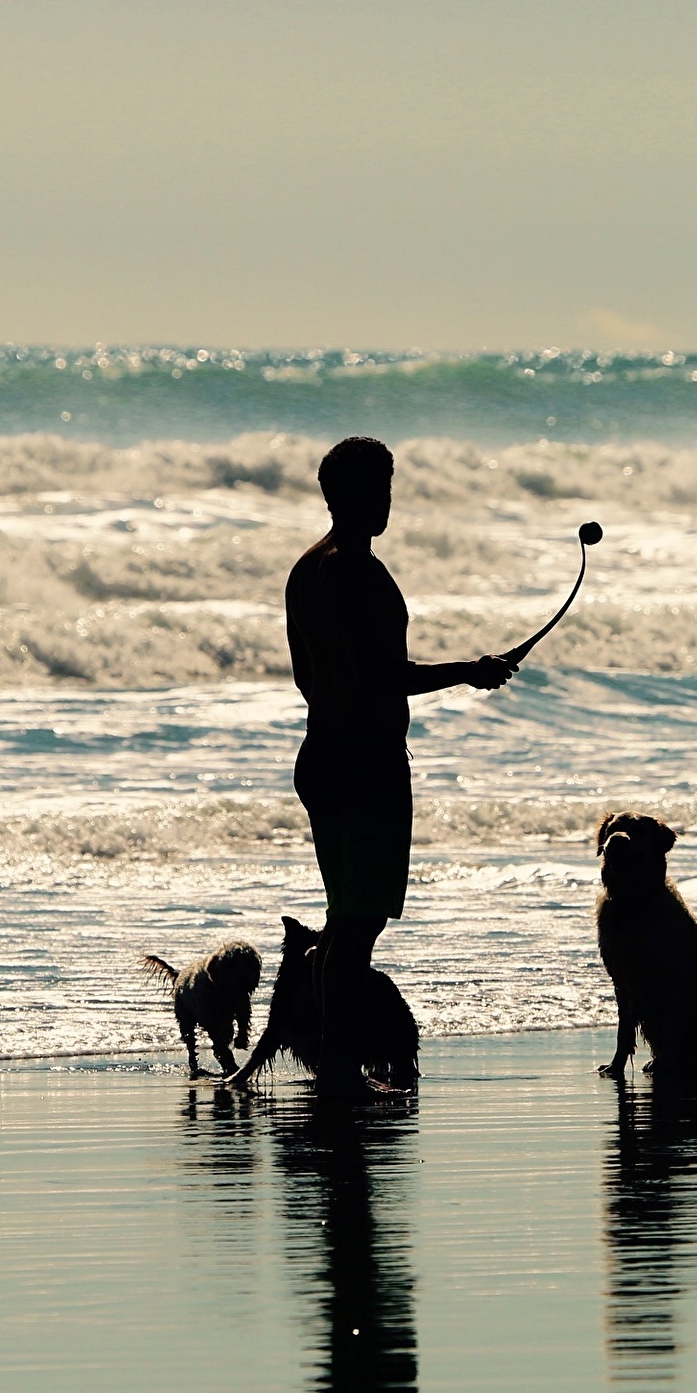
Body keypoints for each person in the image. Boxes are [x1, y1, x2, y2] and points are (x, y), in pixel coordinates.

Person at [286, 435, 514, 1096]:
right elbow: (382, 676)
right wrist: (468, 672)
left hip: (323, 751)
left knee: (347, 917)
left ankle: (335, 1064)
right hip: (363, 760)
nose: (386, 500)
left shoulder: (306, 567)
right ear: (343, 495)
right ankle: (336, 1071)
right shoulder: (355, 569)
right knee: (357, 923)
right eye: (376, 488)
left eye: (388, 486)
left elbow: (318, 675)